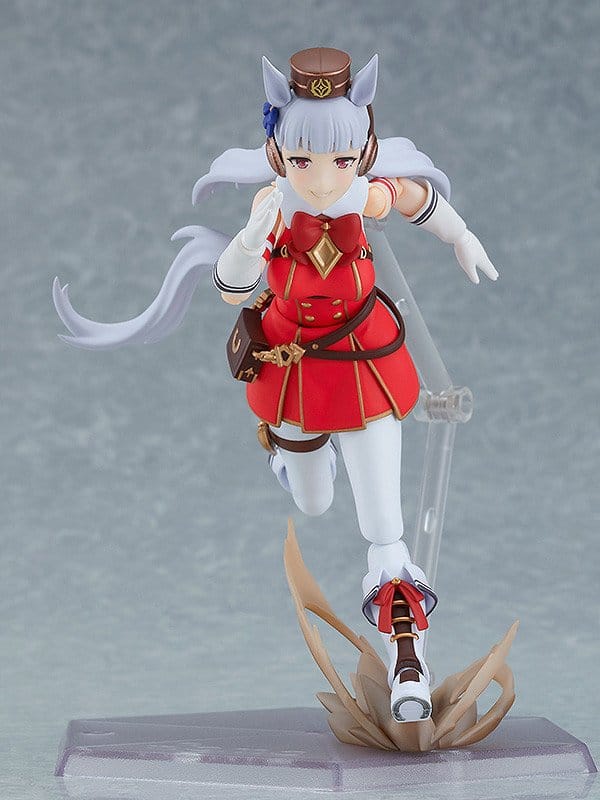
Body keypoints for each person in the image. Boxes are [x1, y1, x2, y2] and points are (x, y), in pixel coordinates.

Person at [54, 47, 498, 724]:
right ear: (279, 153)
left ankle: (409, 662)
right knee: (315, 501)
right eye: (303, 160)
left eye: (341, 160)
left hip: (363, 360)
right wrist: (247, 241)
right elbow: (232, 287)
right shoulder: (274, 206)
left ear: (360, 150)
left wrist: (460, 234)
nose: (322, 179)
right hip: (294, 368)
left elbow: (416, 200)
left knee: (384, 527)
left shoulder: (364, 194)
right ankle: (292, 458)